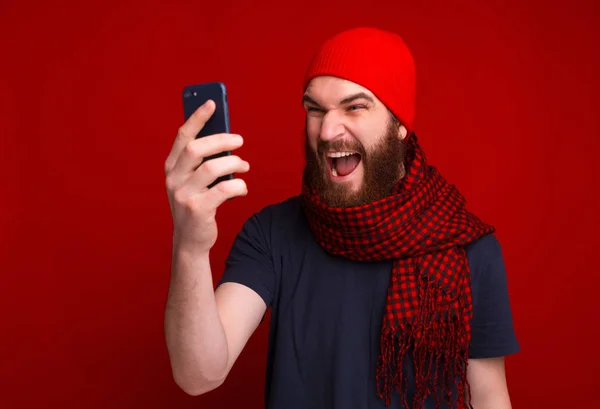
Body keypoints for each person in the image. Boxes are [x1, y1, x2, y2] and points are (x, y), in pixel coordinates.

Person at [163, 27, 520, 409]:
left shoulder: (467, 247)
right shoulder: (271, 234)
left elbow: (488, 398)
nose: (328, 130)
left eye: (354, 106)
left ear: (399, 124)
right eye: (315, 109)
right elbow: (198, 374)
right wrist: (190, 247)